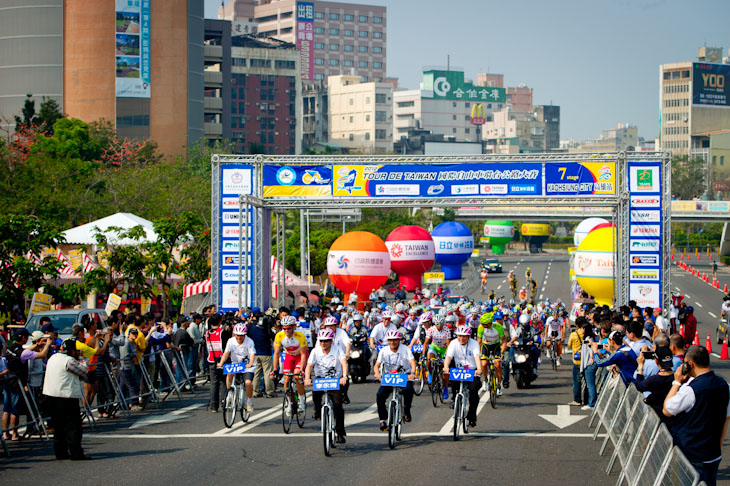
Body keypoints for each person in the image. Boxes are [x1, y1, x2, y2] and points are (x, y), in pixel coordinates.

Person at [663, 346, 730, 486]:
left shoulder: (691, 389)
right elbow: (726, 417)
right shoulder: (725, 385)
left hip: (692, 452)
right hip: (713, 453)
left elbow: (667, 409)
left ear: (690, 364)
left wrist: (676, 382)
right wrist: (720, 442)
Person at [42, 339, 90, 460]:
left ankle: (60, 452)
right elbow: (83, 370)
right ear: (72, 351)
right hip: (66, 397)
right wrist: (82, 358)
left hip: (51, 395)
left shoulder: (53, 357)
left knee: (58, 426)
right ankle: (76, 453)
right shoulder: (70, 361)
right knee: (73, 426)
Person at [305, 328, 348, 444]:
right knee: (315, 394)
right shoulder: (315, 351)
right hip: (321, 379)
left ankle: (340, 432)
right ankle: (318, 410)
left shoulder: (337, 349)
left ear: (331, 341)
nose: (323, 343)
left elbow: (344, 362)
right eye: (321, 341)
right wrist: (307, 378)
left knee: (338, 406)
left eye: (326, 341)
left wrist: (344, 376)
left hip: (335, 380)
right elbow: (309, 365)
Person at [374, 330, 416, 431]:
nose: (392, 342)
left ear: (399, 340)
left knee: (408, 390)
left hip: (404, 376)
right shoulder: (384, 350)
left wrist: (412, 373)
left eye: (395, 340)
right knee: (380, 395)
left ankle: (406, 411)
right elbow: (377, 365)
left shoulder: (405, 349)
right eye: (390, 340)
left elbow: (412, 363)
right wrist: (377, 373)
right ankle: (383, 419)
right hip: (390, 378)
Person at [444, 326, 482, 428]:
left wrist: (479, 369)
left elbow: (477, 356)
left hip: (472, 370)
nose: (462, 338)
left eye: (464, 336)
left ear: (468, 337)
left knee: (474, 392)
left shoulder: (474, 343)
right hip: (458, 370)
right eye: (460, 336)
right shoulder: (453, 343)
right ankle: (455, 400)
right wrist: (446, 366)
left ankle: (472, 417)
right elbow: (448, 356)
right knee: (454, 385)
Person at [218, 323, 256, 414]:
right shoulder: (231, 341)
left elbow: (252, 354)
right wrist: (221, 363)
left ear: (244, 335)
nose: (239, 338)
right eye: (237, 335)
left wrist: (250, 363)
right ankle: (230, 394)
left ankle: (249, 401)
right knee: (229, 373)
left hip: (247, 365)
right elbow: (226, 353)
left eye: (241, 336)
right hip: (236, 364)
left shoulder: (249, 341)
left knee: (248, 383)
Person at [273, 316, 308, 412]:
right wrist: (275, 369)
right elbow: (276, 354)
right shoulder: (279, 336)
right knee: (286, 379)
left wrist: (301, 370)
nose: (286, 331)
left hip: (300, 356)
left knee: (297, 377)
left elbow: (304, 354)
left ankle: (301, 402)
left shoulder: (300, 336)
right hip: (289, 356)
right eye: (284, 328)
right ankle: (289, 403)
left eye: (289, 328)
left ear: (294, 327)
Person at [635, 345, 675, 418]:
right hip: (673, 414)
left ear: (656, 361)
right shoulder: (678, 377)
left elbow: (639, 385)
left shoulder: (654, 380)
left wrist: (640, 365)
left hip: (659, 415)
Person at [477, 312, 506, 396]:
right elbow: (479, 342)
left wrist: (502, 353)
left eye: (484, 324)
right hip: (485, 345)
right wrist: (478, 354)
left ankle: (499, 385)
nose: (482, 325)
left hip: (496, 346)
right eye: (482, 324)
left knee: (497, 364)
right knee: (484, 363)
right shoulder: (481, 328)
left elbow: (504, 342)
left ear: (489, 324)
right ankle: (485, 380)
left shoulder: (498, 327)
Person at [424, 314, 451, 399]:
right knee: (429, 359)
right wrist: (423, 354)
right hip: (434, 347)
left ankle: (446, 388)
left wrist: (446, 355)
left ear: (443, 324)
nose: (439, 326)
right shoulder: (431, 330)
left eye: (441, 324)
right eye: (437, 324)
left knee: (445, 370)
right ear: (434, 324)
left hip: (444, 348)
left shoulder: (447, 330)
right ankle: (430, 374)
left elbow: (449, 344)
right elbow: (426, 343)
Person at [248, 314, 275, 398]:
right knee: (267, 373)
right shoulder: (268, 330)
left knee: (256, 373)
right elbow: (273, 339)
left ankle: (255, 391)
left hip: (255, 353)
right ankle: (269, 391)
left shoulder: (252, 329)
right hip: (266, 353)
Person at [205, 314, 226, 413]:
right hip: (221, 360)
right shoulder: (222, 332)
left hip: (211, 360)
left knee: (214, 383)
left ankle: (214, 406)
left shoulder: (207, 333)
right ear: (219, 322)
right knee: (222, 382)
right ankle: (224, 403)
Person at [567, 318, 586, 406]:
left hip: (577, 361)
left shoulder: (574, 334)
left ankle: (577, 400)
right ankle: (587, 400)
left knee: (577, 381)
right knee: (588, 381)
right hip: (587, 360)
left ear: (577, 325)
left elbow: (569, 345)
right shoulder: (587, 333)